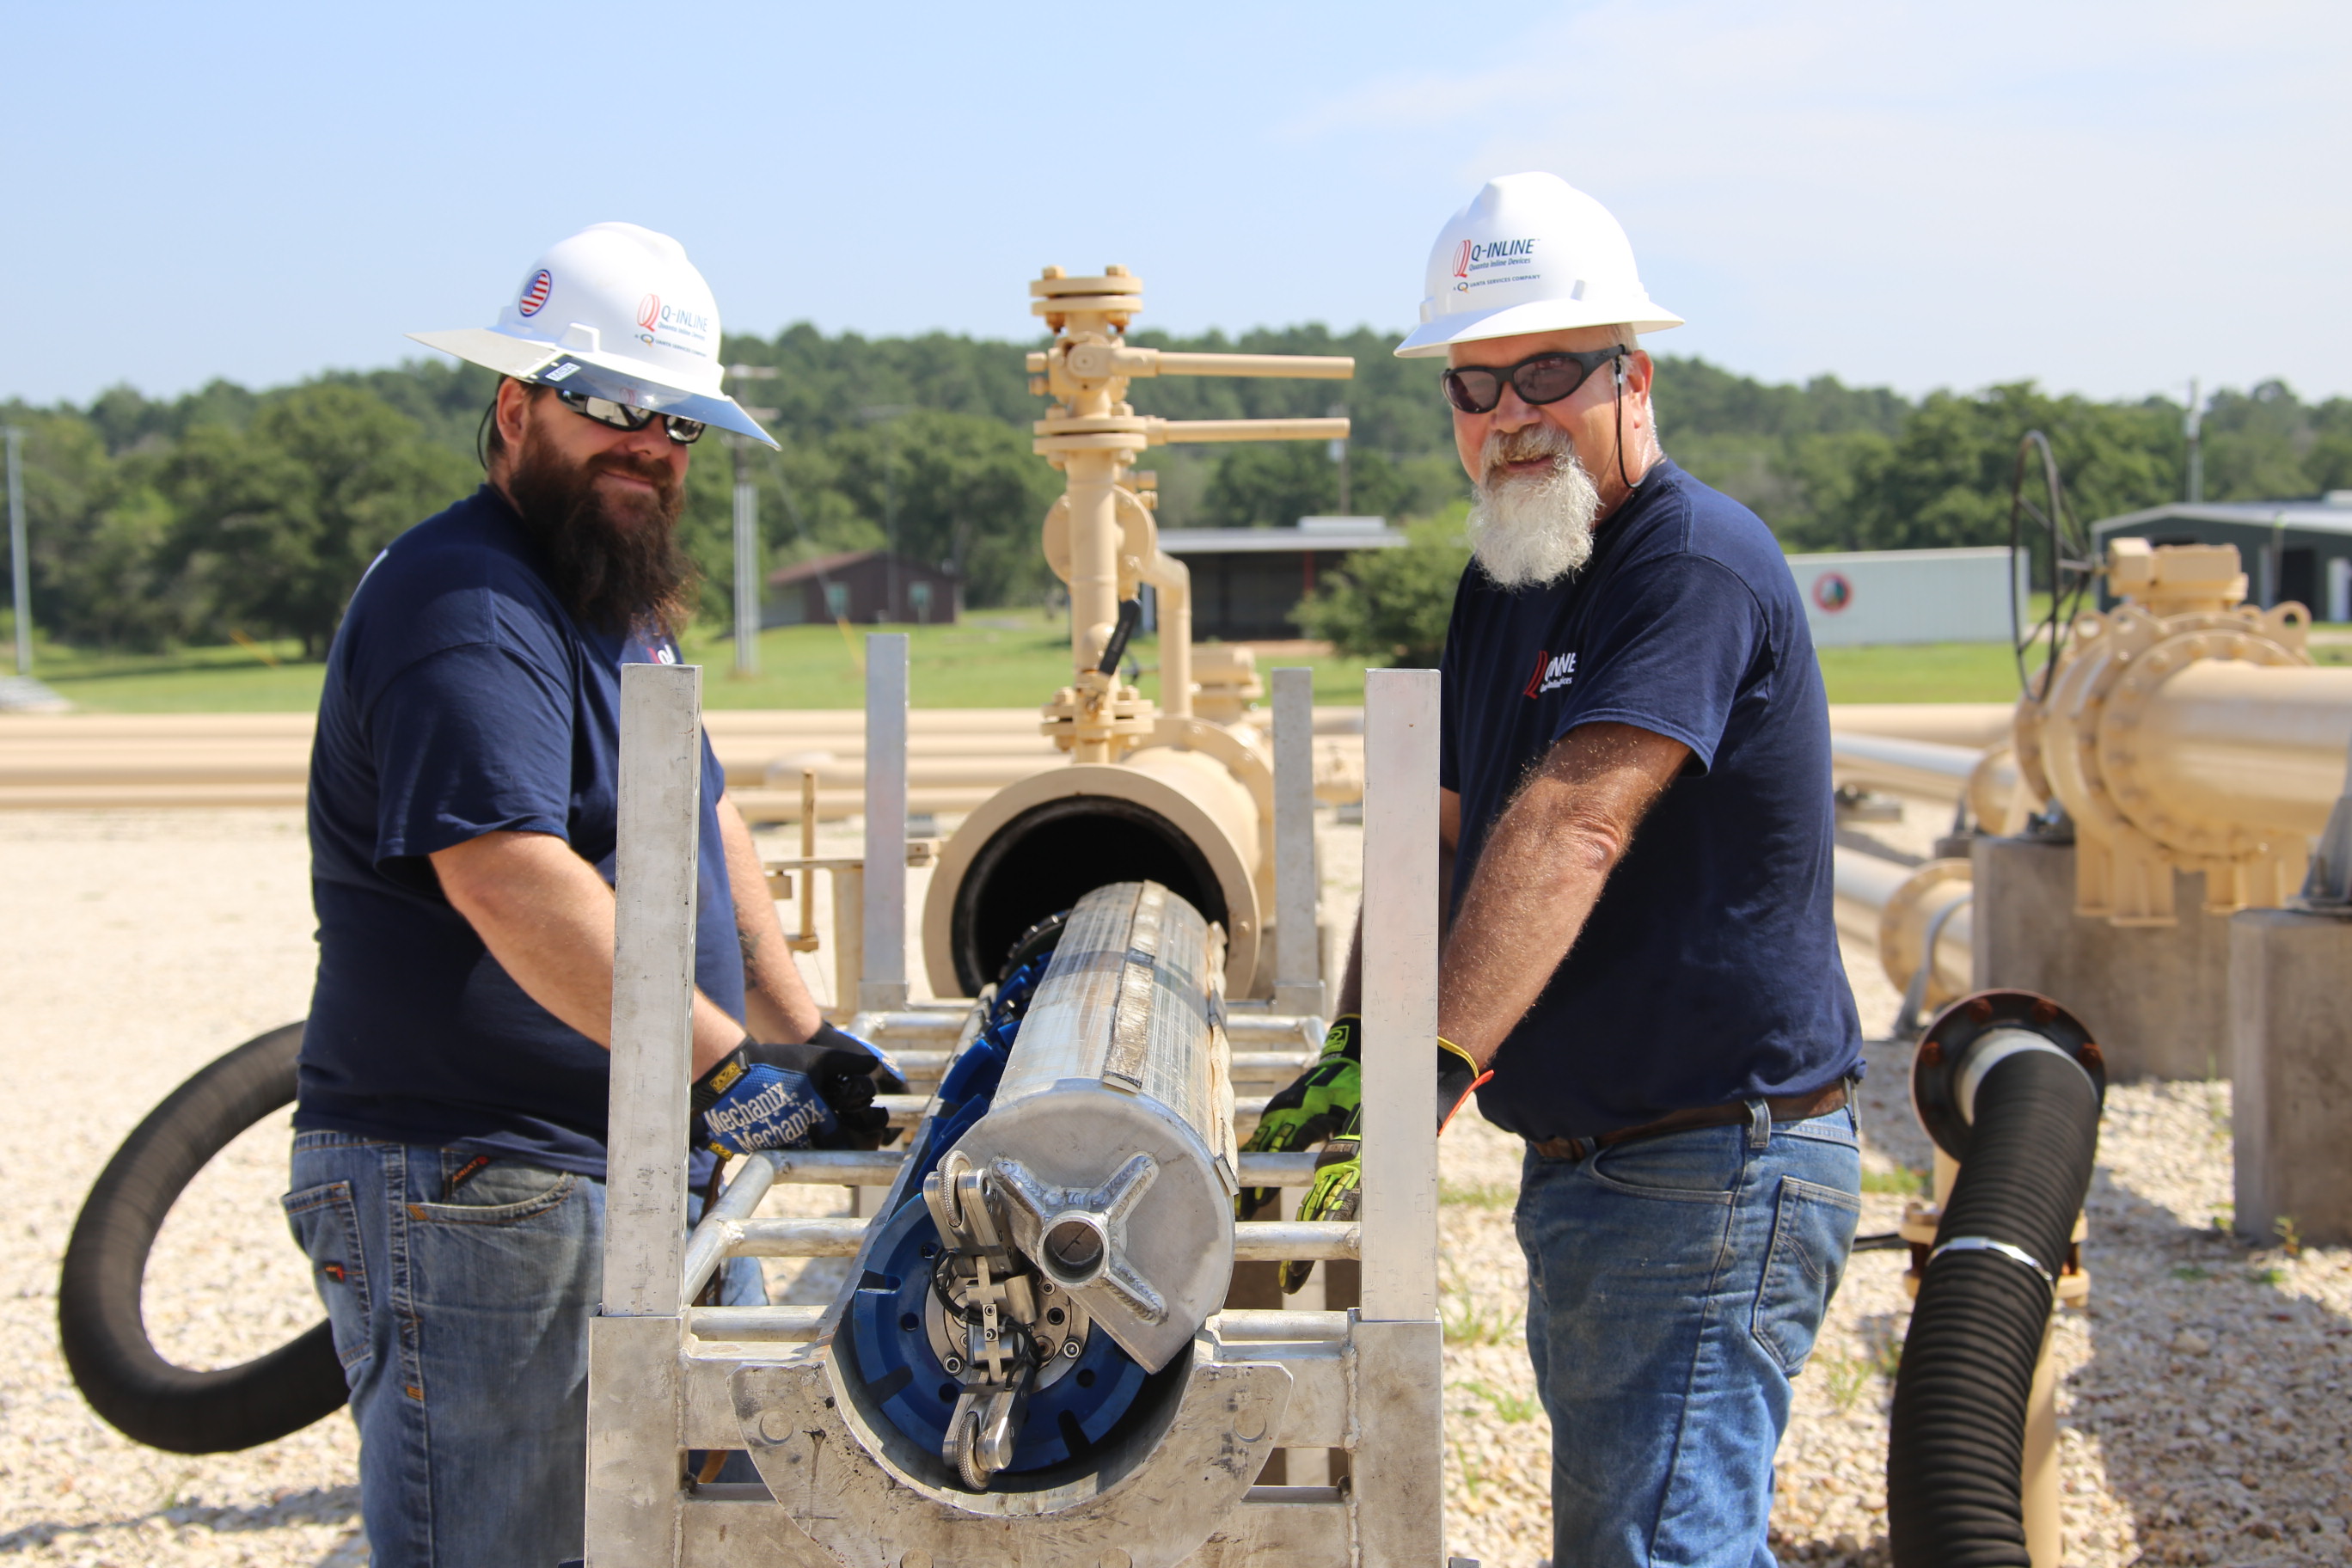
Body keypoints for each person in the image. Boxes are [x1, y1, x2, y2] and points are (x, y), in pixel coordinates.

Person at [1255, 174, 1865, 1565]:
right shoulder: (1506, 578)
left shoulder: (1690, 563)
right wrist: (1356, 1054)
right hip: (1599, 1168)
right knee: (1654, 1533)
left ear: (1631, 377)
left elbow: (1574, 821)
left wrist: (1427, 1074)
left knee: (1654, 1548)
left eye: (1545, 372)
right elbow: (1433, 837)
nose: (1510, 415)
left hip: (1712, 1162)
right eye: (1475, 386)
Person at [285, 222, 898, 1567]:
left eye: (676, 422)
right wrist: (723, 1068)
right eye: (612, 406)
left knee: (695, 1531)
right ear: (516, 408)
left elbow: (704, 821)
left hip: (641, 1160)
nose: (648, 445)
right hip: (484, 1185)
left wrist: (800, 1034)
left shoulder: (612, 601)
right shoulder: (467, 602)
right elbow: (510, 877)